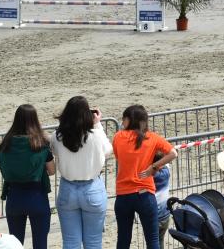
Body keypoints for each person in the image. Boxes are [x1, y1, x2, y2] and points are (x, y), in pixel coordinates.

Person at [50, 96, 112, 249]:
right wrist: (97, 125)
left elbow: (55, 151)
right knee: (93, 242)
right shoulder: (95, 135)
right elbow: (108, 151)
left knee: (71, 242)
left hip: (68, 188)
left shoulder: (57, 136)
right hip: (92, 187)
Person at [112, 105, 178, 249]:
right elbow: (173, 153)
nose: (122, 122)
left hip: (124, 195)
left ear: (129, 120)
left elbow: (118, 158)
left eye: (124, 119)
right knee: (152, 239)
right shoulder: (152, 137)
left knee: (123, 240)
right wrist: (154, 167)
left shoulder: (118, 137)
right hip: (145, 194)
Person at [0, 105, 55, 249]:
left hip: (14, 197)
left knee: (16, 244)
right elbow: (52, 170)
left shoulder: (5, 145)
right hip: (37, 196)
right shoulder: (41, 144)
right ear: (35, 120)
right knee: (40, 243)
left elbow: (4, 170)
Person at [152, 153, 170, 249]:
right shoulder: (167, 172)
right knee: (160, 239)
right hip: (166, 215)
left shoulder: (151, 176)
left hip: (155, 216)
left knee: (153, 242)